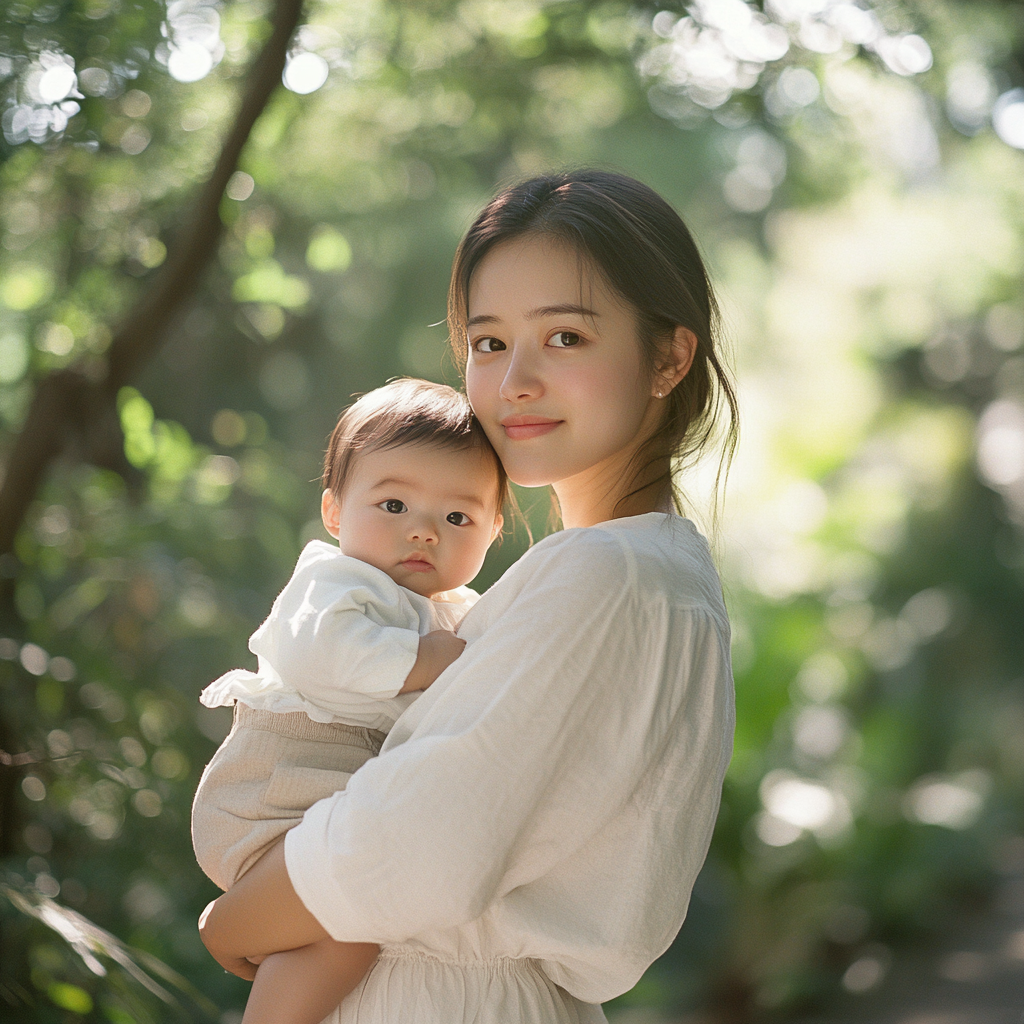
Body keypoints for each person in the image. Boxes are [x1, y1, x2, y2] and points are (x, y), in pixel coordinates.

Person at [199, 169, 739, 1024]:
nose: (515, 380)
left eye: (565, 337)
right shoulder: (649, 575)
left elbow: (412, 845)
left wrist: (231, 922)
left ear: (669, 356)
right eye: (490, 343)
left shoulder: (606, 576)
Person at [191, 378, 506, 1024]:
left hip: (323, 799)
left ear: (494, 530)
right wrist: (421, 662)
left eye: (457, 518)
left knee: (344, 921)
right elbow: (320, 650)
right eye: (393, 505)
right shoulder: (335, 581)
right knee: (348, 930)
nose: (423, 532)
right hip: (274, 788)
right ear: (335, 513)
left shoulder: (457, 611)